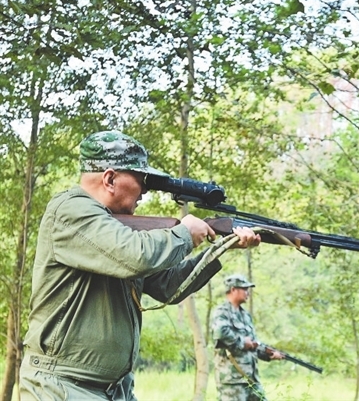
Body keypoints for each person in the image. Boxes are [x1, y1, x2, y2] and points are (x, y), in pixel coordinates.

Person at [19, 130, 260, 401]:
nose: (144, 192)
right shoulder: (71, 210)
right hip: (63, 386)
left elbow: (169, 288)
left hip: (114, 389)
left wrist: (220, 248)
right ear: (109, 179)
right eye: (140, 181)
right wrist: (184, 233)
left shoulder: (114, 231)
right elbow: (137, 257)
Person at [212, 274, 285, 401]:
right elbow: (221, 332)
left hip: (251, 379)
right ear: (233, 290)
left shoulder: (245, 315)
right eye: (244, 289)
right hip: (232, 380)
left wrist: (268, 354)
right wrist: (242, 342)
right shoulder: (222, 311)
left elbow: (253, 344)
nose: (248, 293)